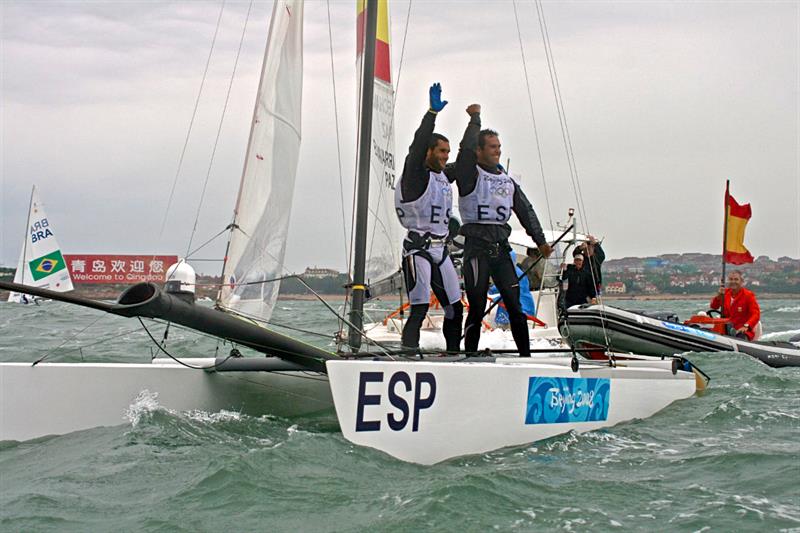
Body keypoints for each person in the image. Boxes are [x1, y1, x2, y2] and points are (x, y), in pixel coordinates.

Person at [451, 104, 552, 357]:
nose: (498, 150)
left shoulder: (507, 181)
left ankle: (525, 356)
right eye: (493, 147)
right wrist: (475, 119)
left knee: (515, 307)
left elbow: (525, 210)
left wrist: (540, 241)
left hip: (501, 249)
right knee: (476, 307)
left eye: (499, 146)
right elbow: (464, 151)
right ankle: (470, 356)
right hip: (476, 249)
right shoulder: (468, 174)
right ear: (480, 150)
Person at [394, 83, 462, 351]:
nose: (446, 156)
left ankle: (456, 354)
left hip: (440, 249)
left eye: (448, 151)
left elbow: (466, 162)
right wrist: (431, 113)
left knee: (454, 308)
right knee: (420, 306)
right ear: (429, 153)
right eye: (442, 151)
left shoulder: (444, 176)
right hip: (417, 249)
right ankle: (409, 352)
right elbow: (417, 145)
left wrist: (488, 165)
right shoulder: (416, 175)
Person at [710, 270, 761, 340]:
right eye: (731, 279)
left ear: (741, 281)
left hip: (741, 330)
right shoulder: (725, 293)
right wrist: (719, 296)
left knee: (741, 337)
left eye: (736, 279)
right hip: (724, 329)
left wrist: (746, 326)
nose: (733, 282)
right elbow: (714, 306)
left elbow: (756, 314)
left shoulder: (748, 295)